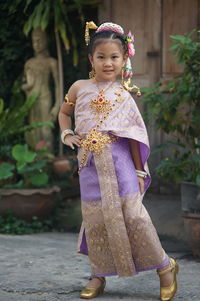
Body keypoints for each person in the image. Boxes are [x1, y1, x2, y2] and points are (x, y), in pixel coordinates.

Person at [58, 21, 179, 301]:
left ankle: (165, 268)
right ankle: (98, 276)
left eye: (114, 57)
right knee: (95, 219)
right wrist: (67, 134)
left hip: (122, 164)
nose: (107, 63)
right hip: (89, 166)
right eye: (101, 57)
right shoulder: (78, 87)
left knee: (135, 216)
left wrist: (139, 170)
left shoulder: (124, 95)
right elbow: (64, 114)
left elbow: (134, 136)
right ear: (91, 59)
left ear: (124, 58)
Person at [22, 28, 60, 152]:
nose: (37, 44)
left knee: (46, 128)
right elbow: (25, 84)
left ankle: (48, 157)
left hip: (45, 97)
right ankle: (35, 158)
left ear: (46, 41)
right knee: (33, 129)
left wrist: (57, 105)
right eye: (34, 41)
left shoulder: (51, 62)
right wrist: (27, 86)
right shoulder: (29, 63)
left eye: (39, 40)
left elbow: (58, 86)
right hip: (31, 99)